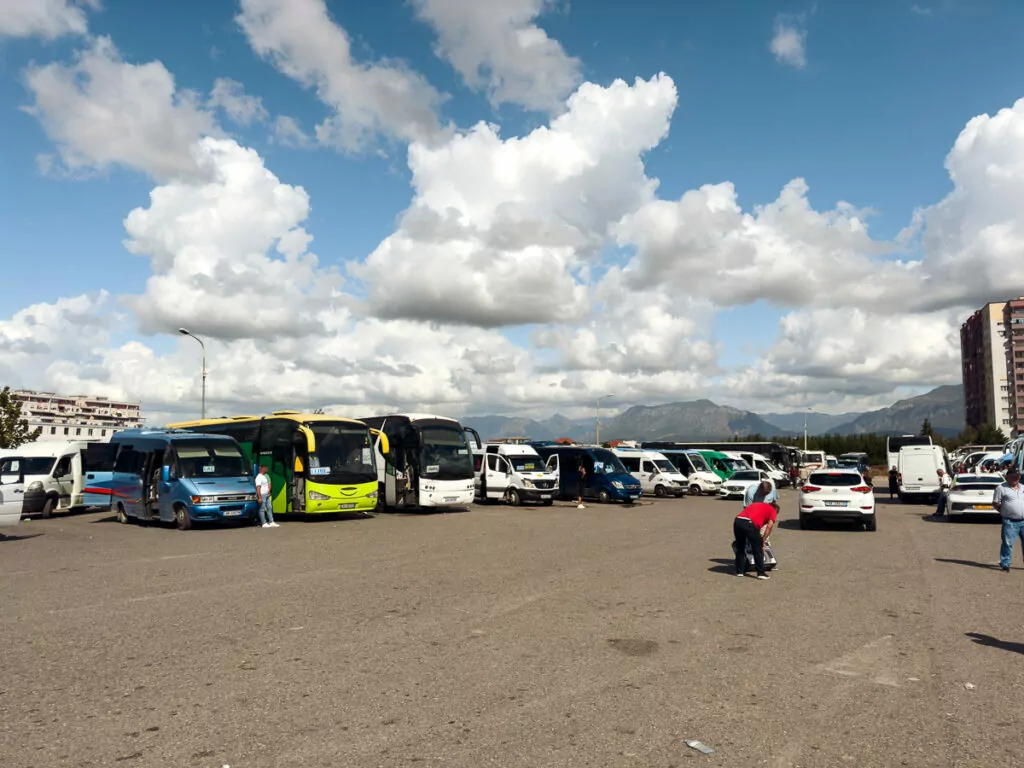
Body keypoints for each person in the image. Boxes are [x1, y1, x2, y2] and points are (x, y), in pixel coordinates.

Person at [733, 501, 777, 580]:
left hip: (738, 521)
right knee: (758, 548)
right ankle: (761, 573)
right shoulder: (773, 510)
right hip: (749, 523)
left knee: (740, 547)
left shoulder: (756, 504)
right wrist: (762, 541)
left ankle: (739, 571)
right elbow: (769, 526)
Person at [994, 467, 1024, 572]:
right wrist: (1004, 512)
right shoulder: (1001, 488)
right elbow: (996, 503)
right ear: (1007, 477)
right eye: (1012, 477)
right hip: (1010, 521)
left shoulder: (1023, 487)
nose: (1015, 479)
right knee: (1007, 543)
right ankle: (1005, 563)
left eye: (1017, 477)